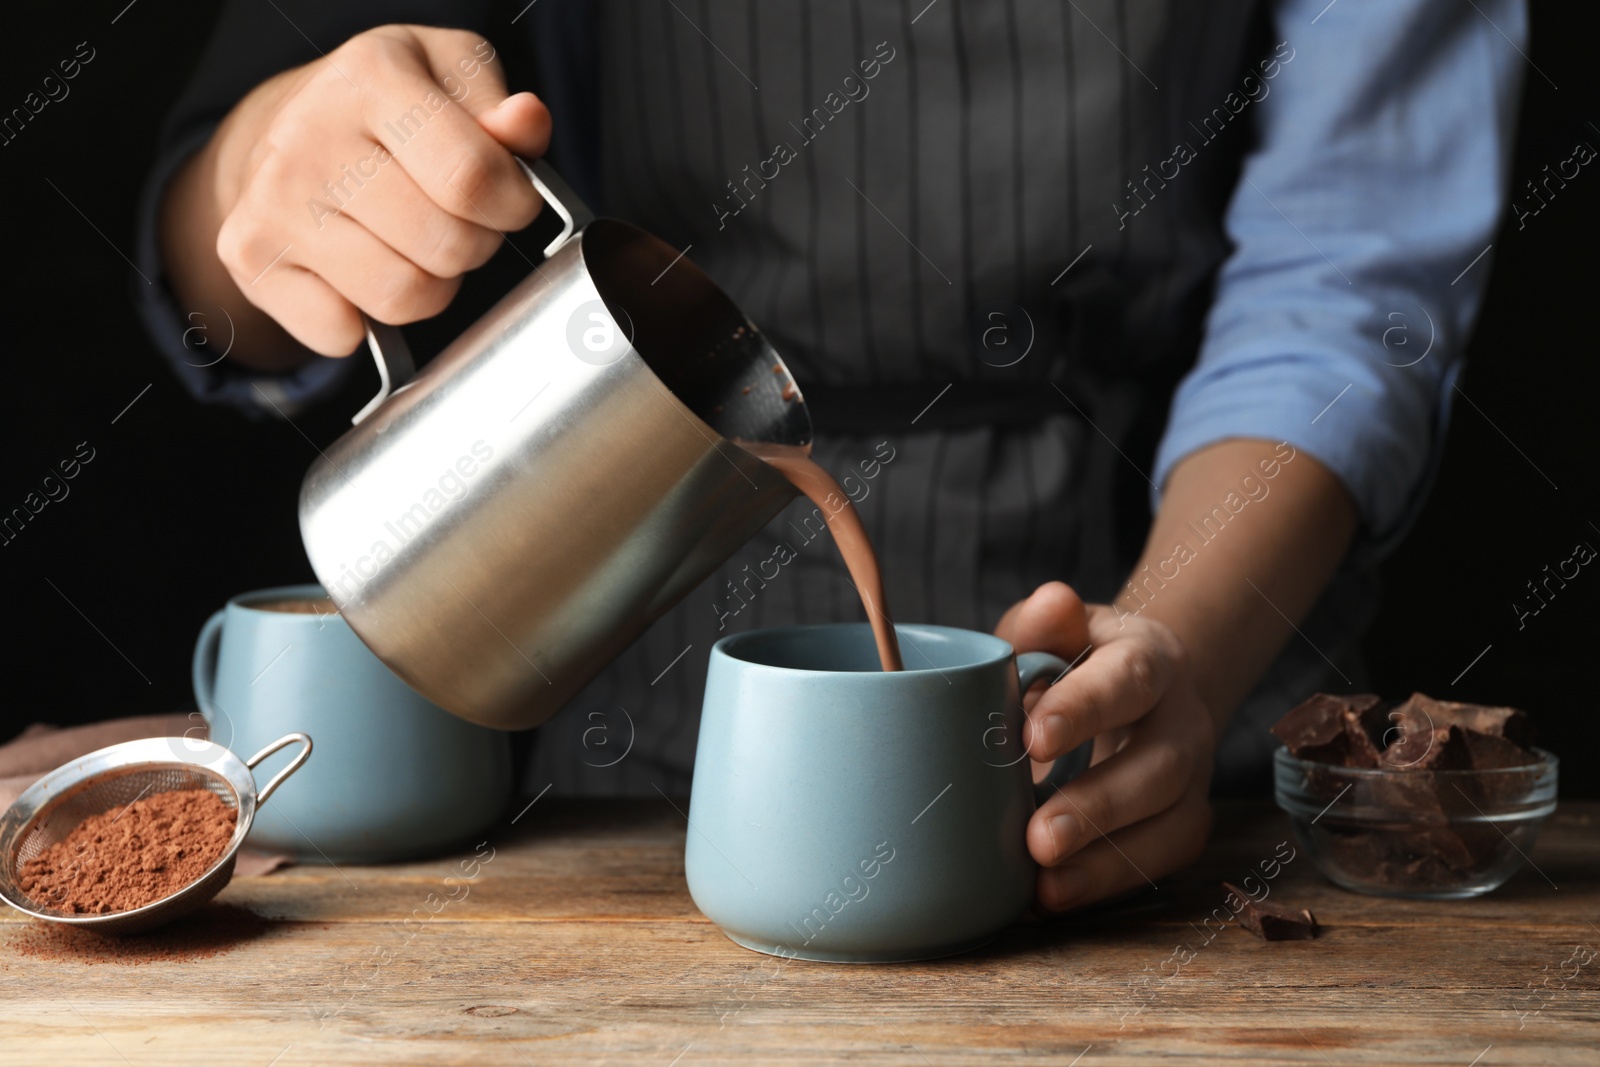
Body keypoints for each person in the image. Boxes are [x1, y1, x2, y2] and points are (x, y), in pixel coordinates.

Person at [136, 0, 1526, 914]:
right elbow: (229, 270)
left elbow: (1348, 277)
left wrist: (1182, 641)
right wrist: (277, 160)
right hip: (619, 683)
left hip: (1167, 676)